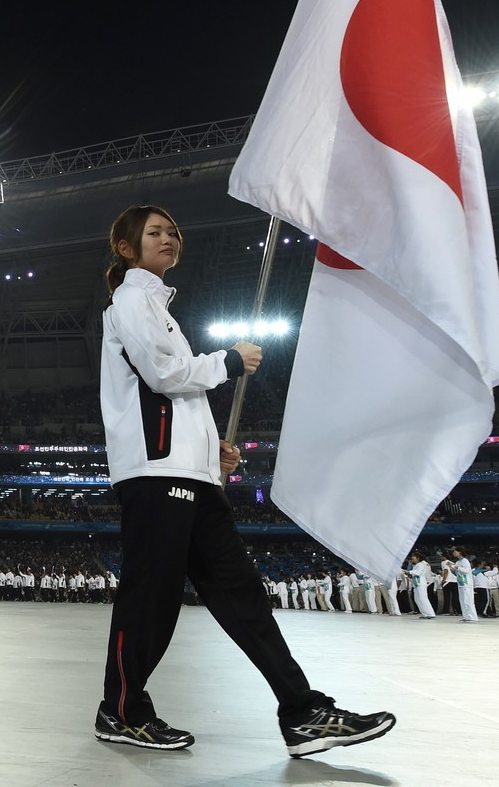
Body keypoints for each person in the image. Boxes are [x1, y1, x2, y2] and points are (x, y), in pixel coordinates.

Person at [95, 204, 396, 757]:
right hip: (156, 475)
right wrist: (229, 361)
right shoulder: (132, 300)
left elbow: (173, 396)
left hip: (189, 476)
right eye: (155, 232)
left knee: (243, 598)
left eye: (174, 230)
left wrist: (214, 455)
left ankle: (304, 711)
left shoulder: (159, 308)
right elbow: (162, 375)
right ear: (126, 247)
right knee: (152, 597)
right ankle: (120, 710)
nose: (170, 238)